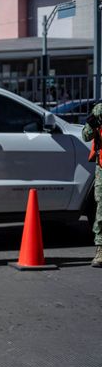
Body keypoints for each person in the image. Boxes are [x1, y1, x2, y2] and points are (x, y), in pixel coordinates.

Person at [81, 102, 102, 267]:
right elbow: (86, 136)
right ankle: (101, 250)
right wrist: (92, 122)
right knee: (101, 210)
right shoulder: (99, 110)